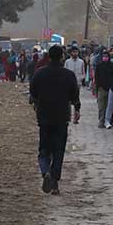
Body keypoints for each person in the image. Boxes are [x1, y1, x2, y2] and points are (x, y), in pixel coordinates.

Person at [29, 45, 81, 196]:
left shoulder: (40, 73)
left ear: (49, 57)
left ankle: (45, 171)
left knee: (44, 149)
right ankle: (55, 183)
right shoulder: (68, 75)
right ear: (62, 57)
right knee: (58, 150)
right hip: (61, 117)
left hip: (44, 117)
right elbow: (74, 95)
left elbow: (33, 93)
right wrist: (77, 109)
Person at [95, 50, 113, 129]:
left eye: (106, 56)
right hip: (101, 88)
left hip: (110, 88)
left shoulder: (112, 66)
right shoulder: (99, 65)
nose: (105, 58)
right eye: (104, 56)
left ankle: (108, 121)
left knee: (108, 106)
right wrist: (97, 86)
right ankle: (101, 121)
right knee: (101, 106)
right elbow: (96, 77)